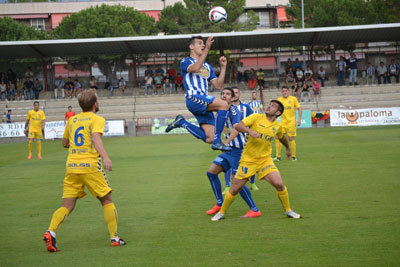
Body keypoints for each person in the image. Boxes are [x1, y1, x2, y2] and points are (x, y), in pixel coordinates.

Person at [42, 89, 126, 252]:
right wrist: (106, 157)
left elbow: (65, 143)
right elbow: (95, 138)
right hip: (90, 166)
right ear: (95, 103)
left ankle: (50, 231)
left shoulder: (72, 120)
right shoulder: (96, 119)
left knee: (67, 205)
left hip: (72, 167)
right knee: (106, 200)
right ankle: (114, 238)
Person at [211, 100, 302, 221]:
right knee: (235, 188)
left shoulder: (277, 126)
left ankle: (288, 210)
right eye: (269, 104)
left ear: (278, 112)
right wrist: (249, 131)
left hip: (265, 160)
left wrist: (288, 149)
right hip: (248, 160)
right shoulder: (256, 117)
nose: (269, 106)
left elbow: (282, 137)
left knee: (279, 184)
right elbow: (237, 125)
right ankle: (221, 213)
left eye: (273, 106)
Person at [165, 36, 231, 151]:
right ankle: (218, 141)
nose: (203, 45)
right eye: (200, 43)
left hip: (204, 102)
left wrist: (223, 67)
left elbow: (218, 85)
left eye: (203, 44)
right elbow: (195, 68)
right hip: (193, 98)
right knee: (224, 105)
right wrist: (207, 50)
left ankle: (182, 122)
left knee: (209, 138)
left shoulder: (207, 66)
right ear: (191, 46)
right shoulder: (185, 61)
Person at [206, 87, 260, 218]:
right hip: (228, 150)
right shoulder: (221, 110)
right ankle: (219, 203)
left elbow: (237, 128)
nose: (224, 96)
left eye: (228, 94)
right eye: (222, 94)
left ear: (233, 97)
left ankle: (254, 209)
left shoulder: (234, 111)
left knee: (236, 183)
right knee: (211, 173)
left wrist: (227, 141)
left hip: (238, 151)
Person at [225, 87, 258, 192]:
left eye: (236, 92)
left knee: (250, 164)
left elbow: (253, 121)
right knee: (229, 165)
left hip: (245, 142)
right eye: (232, 93)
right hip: (230, 143)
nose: (234, 95)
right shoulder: (224, 108)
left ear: (239, 94)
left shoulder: (246, 107)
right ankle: (227, 186)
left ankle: (252, 183)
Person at [274, 86, 302, 161]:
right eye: (283, 91)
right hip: (282, 123)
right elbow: (276, 110)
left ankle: (293, 156)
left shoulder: (293, 99)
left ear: (288, 91)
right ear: (281, 92)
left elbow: (299, 108)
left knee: (291, 138)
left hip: (291, 123)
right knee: (278, 137)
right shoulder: (279, 100)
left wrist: (299, 119)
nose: (284, 92)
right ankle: (278, 157)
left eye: (286, 91)